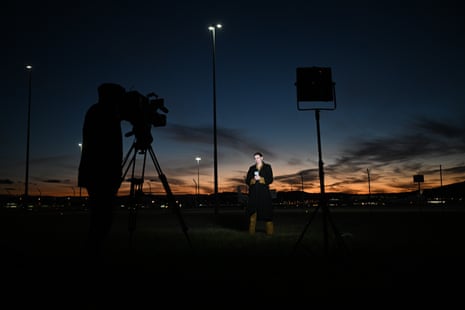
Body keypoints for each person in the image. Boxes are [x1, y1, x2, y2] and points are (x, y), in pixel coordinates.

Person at [78, 82, 126, 257]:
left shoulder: (99, 111)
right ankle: (92, 252)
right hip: (101, 174)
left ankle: (93, 250)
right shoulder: (103, 112)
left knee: (102, 216)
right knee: (102, 217)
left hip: (99, 173)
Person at [245, 152, 274, 235]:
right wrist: (253, 180)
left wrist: (261, 179)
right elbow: (247, 180)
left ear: (262, 158)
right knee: (252, 213)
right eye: (255, 158)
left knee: (267, 212)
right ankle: (251, 233)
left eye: (258, 158)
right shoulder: (251, 168)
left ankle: (270, 233)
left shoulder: (267, 167)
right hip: (253, 194)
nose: (256, 159)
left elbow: (270, 179)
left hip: (264, 194)